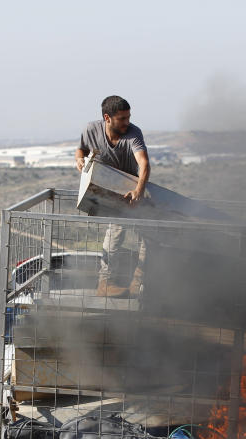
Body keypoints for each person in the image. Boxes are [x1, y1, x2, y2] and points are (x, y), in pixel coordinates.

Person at [75, 95, 151, 298]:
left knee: (148, 235)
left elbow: (143, 163)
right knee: (115, 234)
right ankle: (105, 284)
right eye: (122, 119)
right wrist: (79, 159)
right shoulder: (91, 129)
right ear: (107, 118)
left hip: (132, 190)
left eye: (128, 117)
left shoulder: (134, 134)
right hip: (108, 190)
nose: (127, 122)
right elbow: (81, 148)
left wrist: (139, 191)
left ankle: (138, 282)